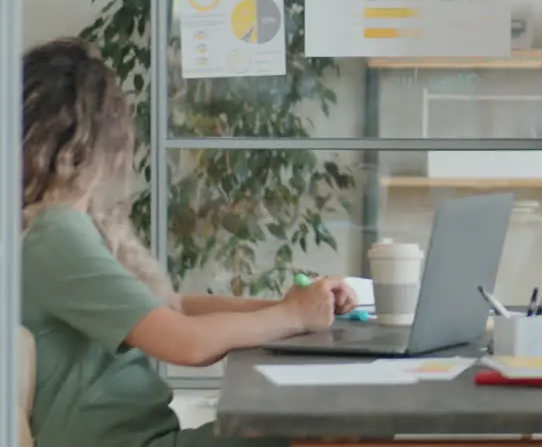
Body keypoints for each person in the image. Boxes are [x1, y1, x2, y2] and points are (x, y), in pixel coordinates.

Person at [20, 37, 360, 446]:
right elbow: (186, 343)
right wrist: (292, 317)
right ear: (102, 143)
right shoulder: (55, 233)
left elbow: (169, 309)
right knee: (336, 428)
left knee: (329, 425)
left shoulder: (58, 228)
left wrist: (286, 307)